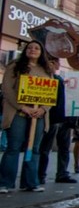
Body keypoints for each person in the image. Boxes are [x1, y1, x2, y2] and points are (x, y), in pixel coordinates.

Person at [1, 40, 52, 193]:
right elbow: (7, 89)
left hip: (39, 115)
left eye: (37, 48)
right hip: (18, 113)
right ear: (25, 50)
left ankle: (30, 182)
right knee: (13, 148)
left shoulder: (46, 70)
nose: (33, 50)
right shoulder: (15, 66)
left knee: (34, 148)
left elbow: (51, 93)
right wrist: (22, 107)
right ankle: (5, 183)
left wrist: (43, 109)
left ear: (41, 52)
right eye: (30, 47)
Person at [37, 55, 76, 184]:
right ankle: (40, 174)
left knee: (63, 148)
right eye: (50, 62)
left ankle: (62, 173)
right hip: (51, 119)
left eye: (55, 62)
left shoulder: (61, 80)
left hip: (63, 119)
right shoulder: (43, 79)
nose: (52, 65)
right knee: (45, 148)